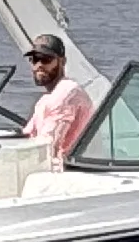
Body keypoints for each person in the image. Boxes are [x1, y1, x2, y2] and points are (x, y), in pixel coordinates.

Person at [18, 36, 99, 167]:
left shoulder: (66, 92)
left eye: (46, 59)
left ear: (62, 61)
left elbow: (50, 145)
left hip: (65, 172)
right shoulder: (46, 99)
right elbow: (27, 136)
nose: (39, 65)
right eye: (34, 60)